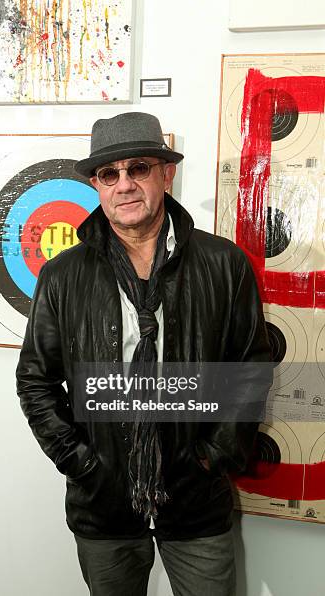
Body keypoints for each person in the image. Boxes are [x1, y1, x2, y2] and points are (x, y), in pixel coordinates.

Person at [16, 112, 272, 596]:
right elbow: (35, 380)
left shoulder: (224, 264)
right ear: (96, 184)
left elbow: (250, 372)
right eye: (109, 174)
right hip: (103, 500)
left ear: (166, 173)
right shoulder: (63, 276)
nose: (124, 184)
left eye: (139, 168)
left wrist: (210, 460)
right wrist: (82, 463)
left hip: (197, 499)